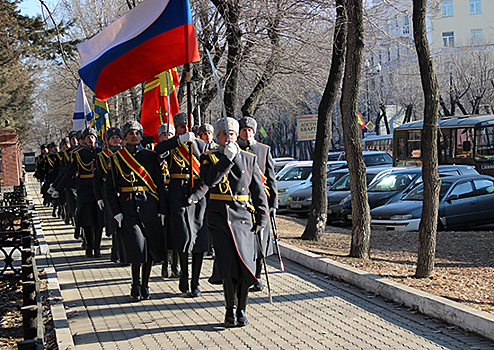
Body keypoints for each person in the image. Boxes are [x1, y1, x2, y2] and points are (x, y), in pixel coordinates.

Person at [200, 117, 269, 327]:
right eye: (223, 135)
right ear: (218, 138)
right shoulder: (208, 158)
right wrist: (226, 160)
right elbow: (209, 180)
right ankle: (230, 309)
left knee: (244, 265)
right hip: (219, 217)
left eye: (231, 134)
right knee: (229, 264)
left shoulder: (248, 158)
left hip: (243, 217)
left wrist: (262, 217)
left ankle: (242, 309)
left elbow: (258, 191)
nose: (228, 138)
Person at [106, 121, 167, 301]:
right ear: (125, 138)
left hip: (148, 205)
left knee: (148, 247)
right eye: (130, 133)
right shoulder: (117, 158)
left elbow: (159, 184)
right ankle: (134, 284)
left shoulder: (151, 156)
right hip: (128, 207)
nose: (134, 135)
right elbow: (109, 188)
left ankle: (145, 285)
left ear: (141, 136)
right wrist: (115, 211)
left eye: (137, 132)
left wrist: (162, 208)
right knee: (137, 246)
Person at [154, 112, 209, 297]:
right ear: (176, 130)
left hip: (198, 195)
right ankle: (184, 276)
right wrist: (180, 140)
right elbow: (158, 150)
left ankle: (196, 281)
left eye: (189, 127)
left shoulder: (203, 146)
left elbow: (209, 175)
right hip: (177, 194)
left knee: (200, 240)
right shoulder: (172, 147)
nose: (186, 130)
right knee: (183, 237)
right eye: (182, 128)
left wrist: (199, 193)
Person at [238, 116, 278, 291]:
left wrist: (274, 204)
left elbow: (271, 179)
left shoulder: (264, 150)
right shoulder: (234, 150)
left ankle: (258, 275)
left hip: (261, 202)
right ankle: (247, 274)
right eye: (244, 131)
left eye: (250, 131)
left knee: (261, 240)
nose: (247, 134)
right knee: (245, 241)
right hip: (243, 202)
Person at [52, 128, 104, 257]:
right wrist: (58, 189)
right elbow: (68, 173)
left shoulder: (101, 153)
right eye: (87, 137)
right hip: (85, 190)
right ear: (84, 140)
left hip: (99, 190)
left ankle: (97, 246)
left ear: (96, 139)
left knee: (99, 220)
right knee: (87, 220)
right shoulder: (78, 154)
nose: (90, 139)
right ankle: (89, 245)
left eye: (92, 137)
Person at [94, 127, 123, 263]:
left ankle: (122, 250)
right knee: (114, 223)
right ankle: (115, 250)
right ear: (107, 141)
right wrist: (99, 197)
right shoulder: (101, 156)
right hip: (108, 191)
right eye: (112, 138)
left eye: (117, 137)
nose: (115, 140)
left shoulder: (125, 154)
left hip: (124, 190)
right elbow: (97, 178)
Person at [157, 123, 181, 279]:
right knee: (162, 233)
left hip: (174, 195)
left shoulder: (180, 153)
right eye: (164, 135)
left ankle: (175, 265)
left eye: (170, 135)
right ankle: (165, 262)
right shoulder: (155, 152)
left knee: (176, 232)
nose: (167, 138)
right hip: (159, 196)